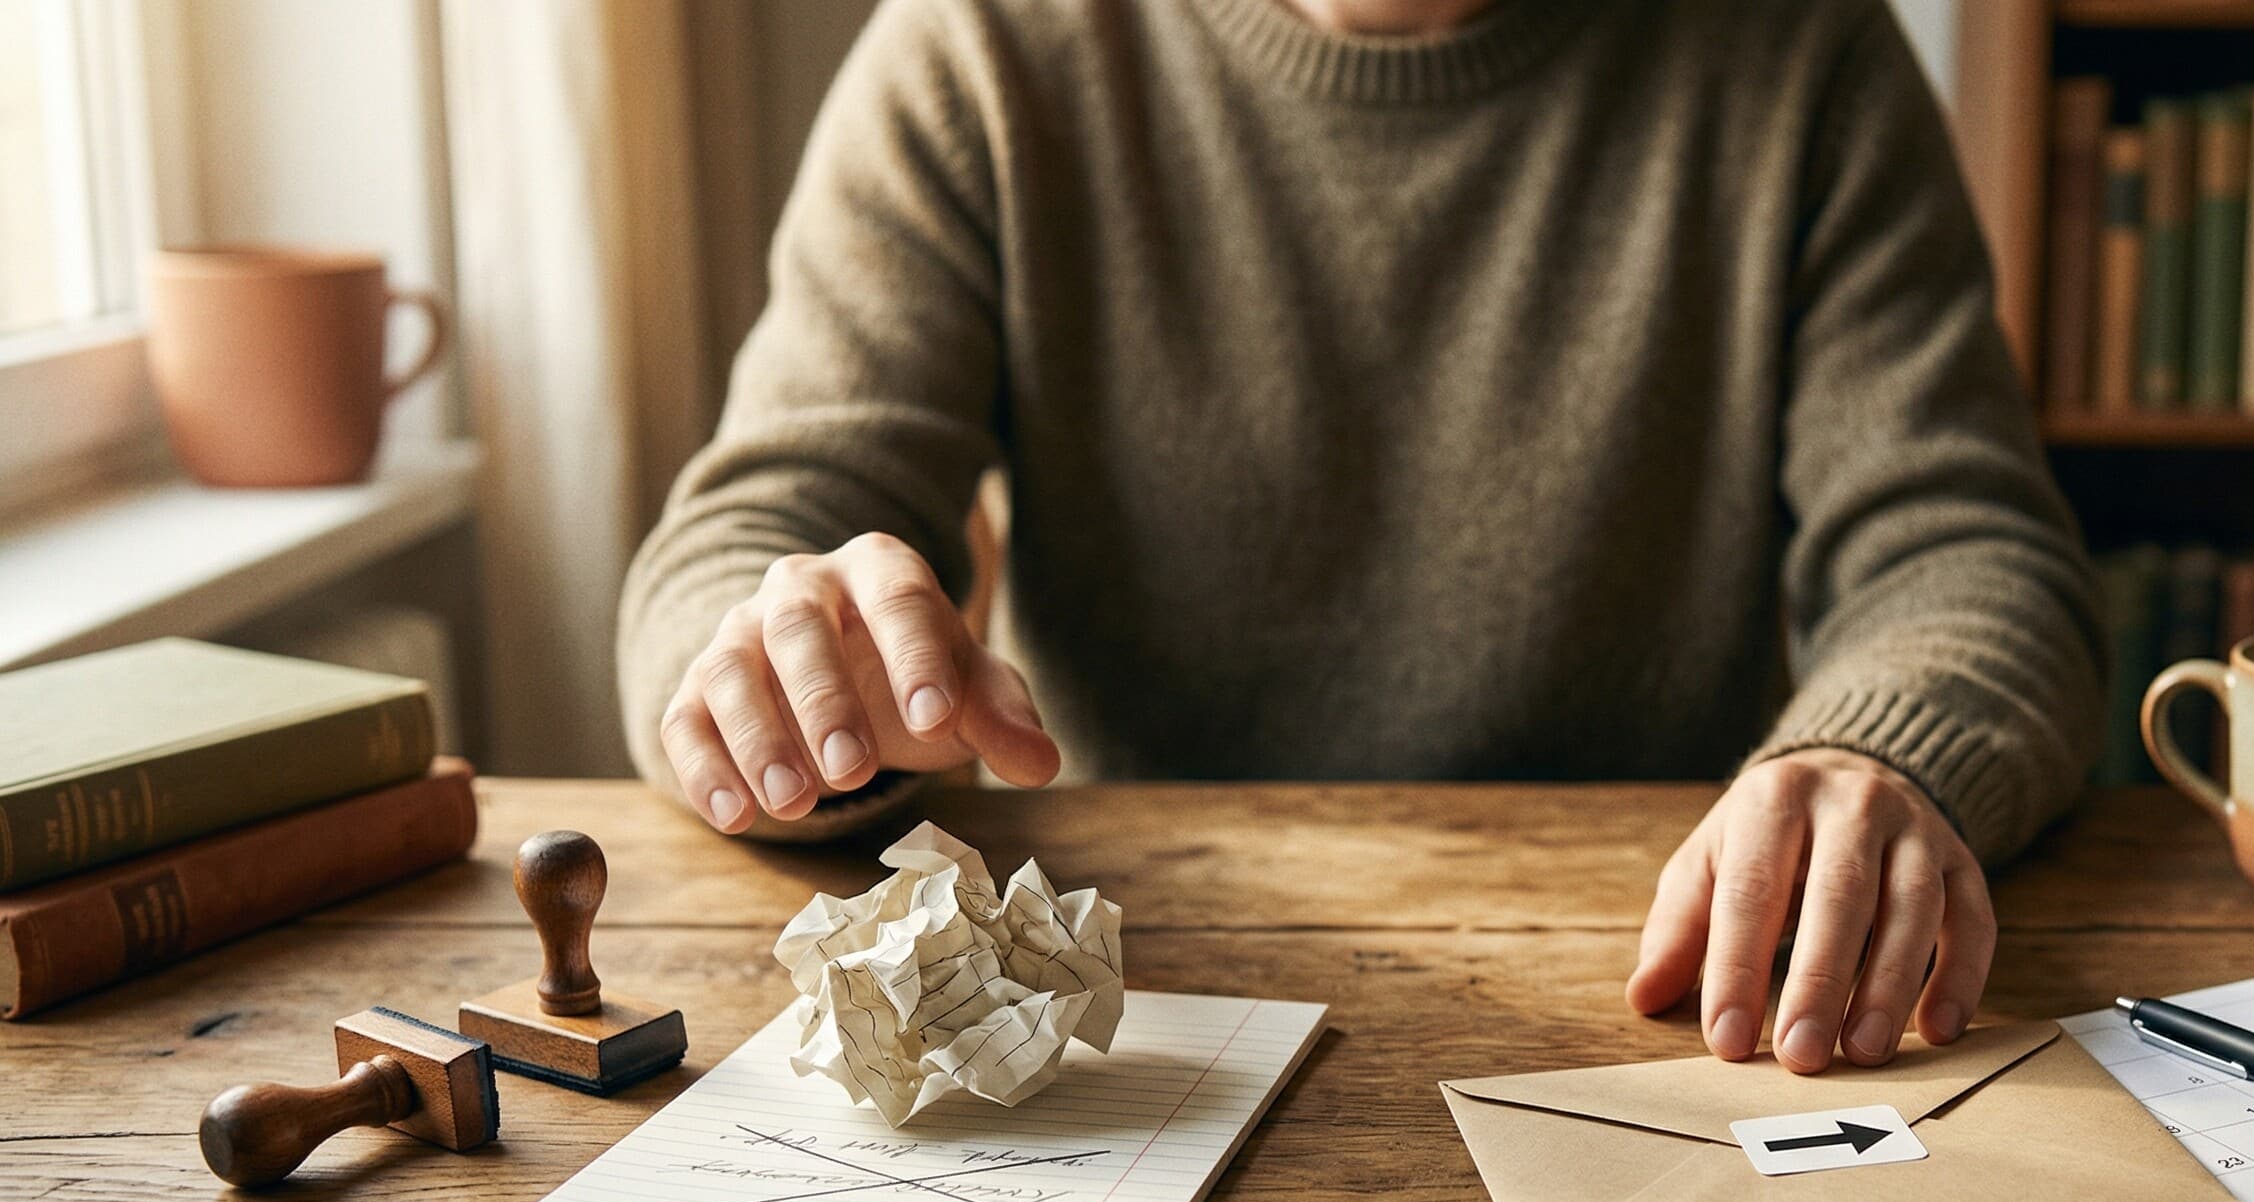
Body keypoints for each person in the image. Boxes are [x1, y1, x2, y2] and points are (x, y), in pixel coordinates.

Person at [617, 0, 2103, 1078]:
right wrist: (779, 672)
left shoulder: (1803, 53)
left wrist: (1882, 758)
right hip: (1129, 1010)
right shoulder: (982, 49)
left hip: (1675, 1006)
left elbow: (1968, 551)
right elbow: (752, 530)